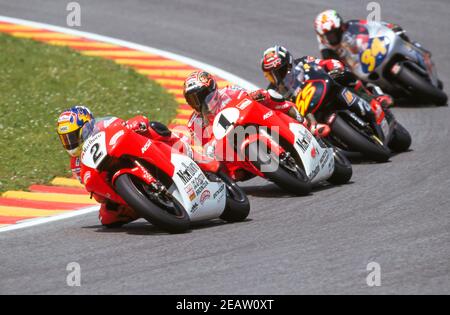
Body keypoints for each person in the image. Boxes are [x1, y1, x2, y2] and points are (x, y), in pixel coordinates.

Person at [56, 105, 192, 228]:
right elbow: (96, 193)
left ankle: (181, 147)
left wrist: (135, 124)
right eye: (65, 139)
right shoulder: (76, 164)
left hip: (134, 150)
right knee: (107, 218)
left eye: (72, 137)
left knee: (152, 127)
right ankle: (147, 205)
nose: (70, 143)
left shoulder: (103, 124)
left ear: (86, 127)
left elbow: (124, 124)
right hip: (116, 186)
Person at [183, 70, 331, 147]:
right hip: (229, 151)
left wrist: (257, 96)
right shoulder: (194, 123)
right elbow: (201, 148)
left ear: (211, 88)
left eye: (201, 95)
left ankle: (305, 123)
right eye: (192, 99)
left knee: (270, 95)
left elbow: (249, 97)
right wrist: (209, 148)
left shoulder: (230, 91)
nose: (199, 101)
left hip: (251, 123)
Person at [260, 45, 393, 111]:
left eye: (280, 70)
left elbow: (324, 63)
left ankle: (372, 99)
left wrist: (335, 67)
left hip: (325, 89)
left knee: (344, 75)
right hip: (309, 113)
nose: (277, 76)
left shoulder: (303, 61)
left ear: (288, 62)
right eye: (272, 74)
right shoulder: (273, 91)